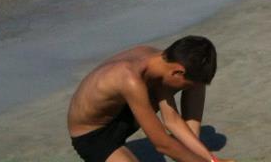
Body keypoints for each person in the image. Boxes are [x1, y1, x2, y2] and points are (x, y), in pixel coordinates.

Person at [67, 36, 231, 162]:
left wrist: (210, 159)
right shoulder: (129, 78)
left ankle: (193, 153)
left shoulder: (160, 61)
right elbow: (162, 144)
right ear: (177, 72)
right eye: (184, 85)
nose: (185, 90)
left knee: (197, 81)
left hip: (123, 112)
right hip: (93, 135)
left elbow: (171, 119)